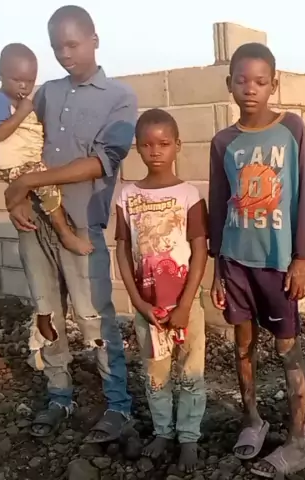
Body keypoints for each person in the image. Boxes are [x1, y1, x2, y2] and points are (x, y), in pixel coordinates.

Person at [2, 5, 136, 444]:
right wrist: (15, 198)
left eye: (73, 44)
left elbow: (102, 162)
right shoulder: (44, 94)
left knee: (94, 318)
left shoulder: (119, 98)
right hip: (35, 222)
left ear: (94, 40)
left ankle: (118, 405)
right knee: (47, 313)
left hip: (81, 227)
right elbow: (19, 150)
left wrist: (29, 182)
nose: (64, 54)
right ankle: (60, 396)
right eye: (57, 47)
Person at [207, 42, 305, 478]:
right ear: (229, 84)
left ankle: (298, 441)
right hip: (236, 263)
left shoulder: (291, 128)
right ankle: (252, 419)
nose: (250, 89)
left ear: (274, 83)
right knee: (242, 346)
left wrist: (302, 258)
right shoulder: (224, 142)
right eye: (241, 80)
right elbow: (219, 204)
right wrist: (218, 269)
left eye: (259, 81)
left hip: (277, 263)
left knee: (287, 350)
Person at [114, 109, 208, 473]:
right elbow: (123, 249)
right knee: (156, 375)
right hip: (148, 310)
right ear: (137, 148)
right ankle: (163, 432)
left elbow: (199, 250)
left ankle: (189, 437)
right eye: (147, 145)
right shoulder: (127, 195)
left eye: (164, 144)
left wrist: (185, 305)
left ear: (177, 146)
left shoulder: (188, 195)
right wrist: (138, 302)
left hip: (185, 306)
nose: (155, 151)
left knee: (190, 372)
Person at [0, 43, 93, 258]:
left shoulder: (18, 100)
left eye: (30, 81)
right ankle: (65, 234)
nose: (24, 86)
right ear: (0, 75)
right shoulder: (0, 101)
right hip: (16, 163)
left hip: (23, 161)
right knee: (48, 189)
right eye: (17, 80)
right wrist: (21, 113)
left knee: (41, 188)